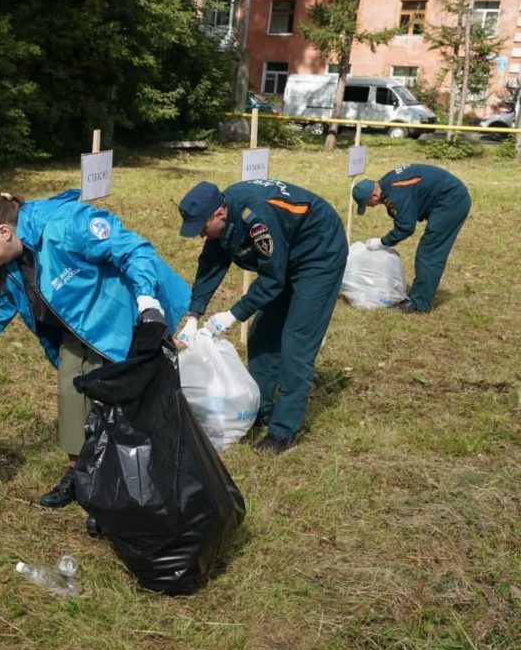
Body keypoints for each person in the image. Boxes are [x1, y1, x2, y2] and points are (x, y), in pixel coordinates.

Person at [0, 189, 190, 508]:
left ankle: (137, 484)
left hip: (126, 313)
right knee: (73, 396)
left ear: (4, 232)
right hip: (78, 329)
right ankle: (81, 475)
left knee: (135, 405)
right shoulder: (9, 267)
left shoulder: (64, 224)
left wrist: (146, 298)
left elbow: (132, 249)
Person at [174, 179, 347, 454]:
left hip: (318, 253)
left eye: (202, 228)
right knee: (262, 336)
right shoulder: (223, 216)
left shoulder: (257, 219)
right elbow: (210, 264)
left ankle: (283, 431)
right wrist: (194, 314)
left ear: (219, 213)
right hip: (284, 254)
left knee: (295, 344)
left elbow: (272, 281)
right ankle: (261, 409)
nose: (200, 235)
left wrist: (233, 315)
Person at [351, 164, 470, 313]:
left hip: (452, 201)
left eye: (368, 204)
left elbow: (406, 227)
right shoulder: (387, 183)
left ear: (374, 196)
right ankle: (419, 295)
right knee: (428, 251)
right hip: (446, 195)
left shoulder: (396, 193)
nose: (371, 207)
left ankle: (419, 303)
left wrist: (382, 242)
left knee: (429, 252)